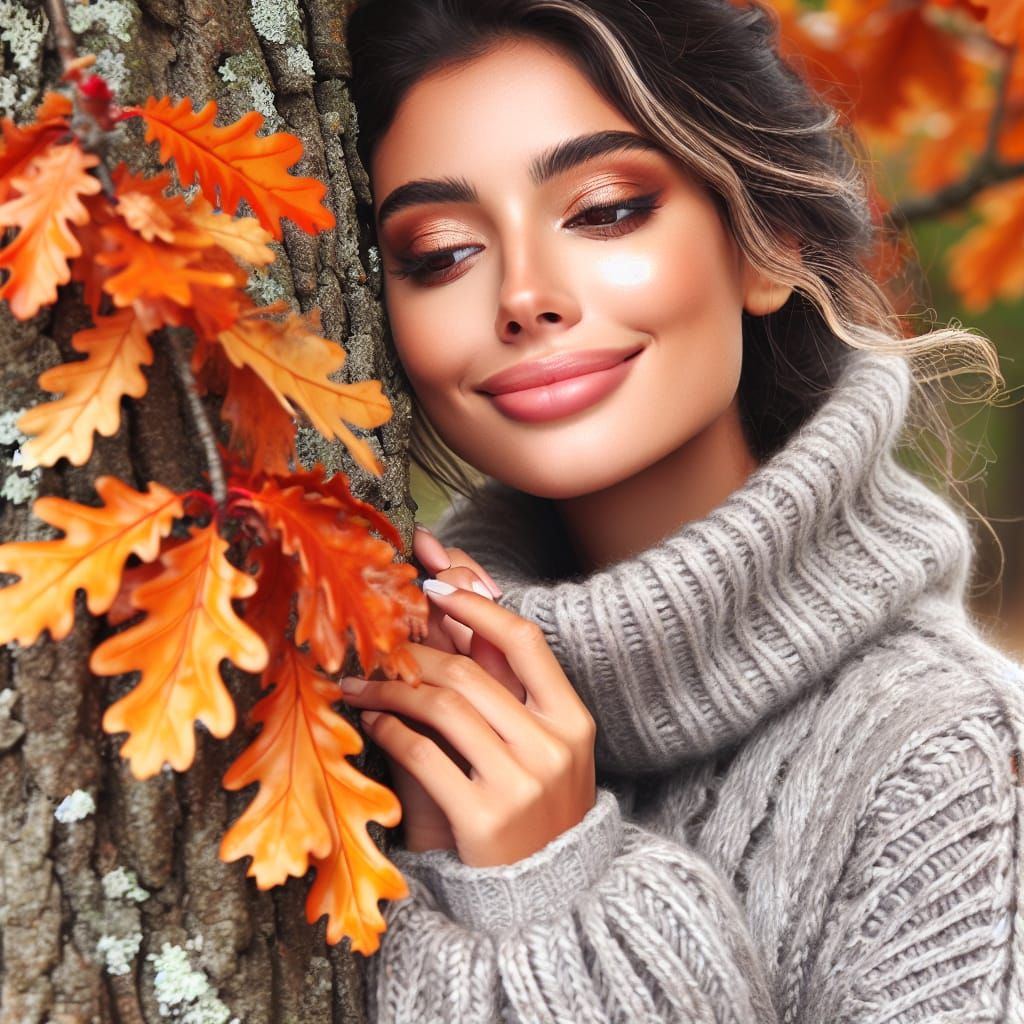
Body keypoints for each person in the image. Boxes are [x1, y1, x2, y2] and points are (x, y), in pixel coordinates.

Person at [341, 1, 1024, 1020]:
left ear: (766, 243)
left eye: (607, 210)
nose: (524, 296)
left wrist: (558, 908)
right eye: (441, 254)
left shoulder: (960, 759)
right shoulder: (371, 703)